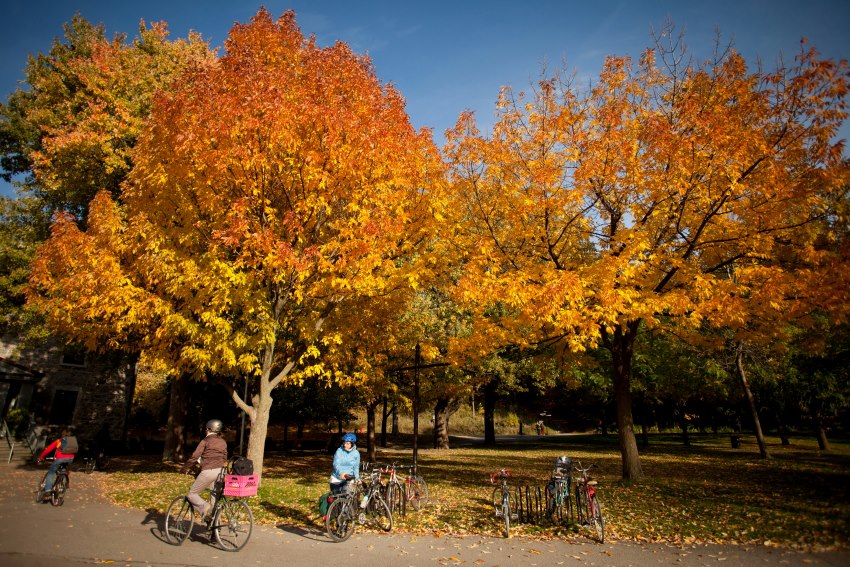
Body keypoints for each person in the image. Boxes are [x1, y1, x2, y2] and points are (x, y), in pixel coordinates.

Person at [180, 419, 228, 521]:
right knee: (214, 500)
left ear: (208, 429)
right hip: (221, 472)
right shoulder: (223, 442)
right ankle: (214, 531)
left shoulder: (205, 441)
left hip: (209, 471)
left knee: (191, 494)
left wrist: (185, 468)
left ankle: (204, 507)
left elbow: (194, 456)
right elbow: (224, 457)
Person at [37, 428, 75, 493]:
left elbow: (48, 450)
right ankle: (61, 483)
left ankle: (48, 490)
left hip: (60, 459)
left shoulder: (59, 441)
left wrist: (41, 457)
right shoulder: (72, 441)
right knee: (63, 469)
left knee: (50, 473)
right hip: (70, 459)